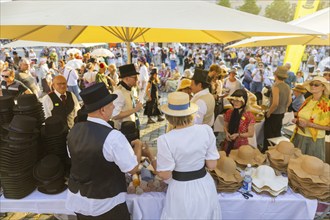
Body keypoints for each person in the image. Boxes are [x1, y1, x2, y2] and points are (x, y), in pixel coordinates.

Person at [66, 83, 154, 219]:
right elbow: (132, 168)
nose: (113, 106)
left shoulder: (74, 130)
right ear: (102, 110)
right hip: (106, 204)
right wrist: (137, 146)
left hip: (79, 201)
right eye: (110, 104)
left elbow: (75, 156)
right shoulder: (113, 136)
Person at [157, 91, 221, 220]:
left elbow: (165, 174)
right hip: (204, 185)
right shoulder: (206, 130)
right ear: (191, 113)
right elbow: (212, 165)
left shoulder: (165, 139)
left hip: (180, 189)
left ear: (169, 117)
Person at [291, 76, 329, 161]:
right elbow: (303, 115)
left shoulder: (327, 104)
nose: (313, 86)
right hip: (300, 135)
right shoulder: (308, 100)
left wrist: (309, 124)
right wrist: (296, 118)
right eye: (312, 84)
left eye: (316, 85)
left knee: (310, 166)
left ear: (323, 87)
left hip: (314, 140)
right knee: (297, 163)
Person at [262, 66, 292, 153]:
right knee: (277, 133)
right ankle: (275, 151)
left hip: (274, 114)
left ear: (275, 75)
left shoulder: (276, 86)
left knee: (268, 135)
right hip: (281, 113)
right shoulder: (287, 86)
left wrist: (268, 113)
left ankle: (267, 151)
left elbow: (275, 103)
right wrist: (285, 107)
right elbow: (290, 100)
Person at [223, 89, 255, 155]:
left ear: (244, 102)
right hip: (228, 143)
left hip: (241, 146)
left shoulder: (249, 115)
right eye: (234, 100)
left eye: (238, 101)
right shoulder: (229, 112)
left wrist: (238, 135)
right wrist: (226, 133)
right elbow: (225, 126)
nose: (235, 103)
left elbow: (251, 134)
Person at [112, 64, 143, 130]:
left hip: (131, 127)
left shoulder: (130, 88)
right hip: (123, 131)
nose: (137, 79)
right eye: (135, 77)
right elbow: (115, 115)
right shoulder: (119, 92)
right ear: (127, 78)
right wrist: (135, 109)